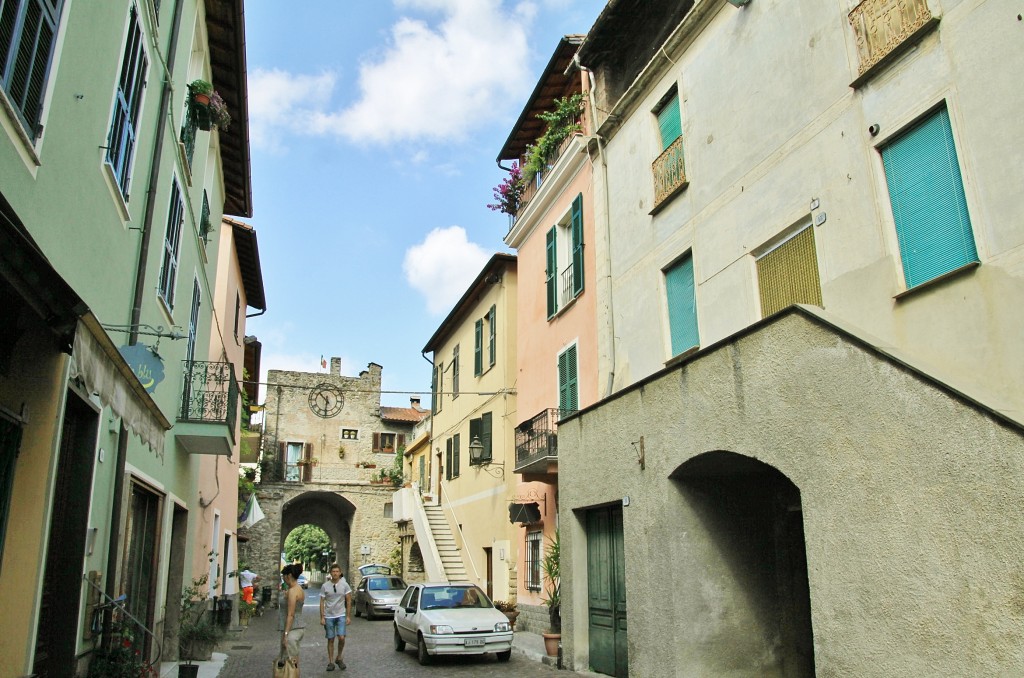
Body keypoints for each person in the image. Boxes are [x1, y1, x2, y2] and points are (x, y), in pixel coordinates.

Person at [319, 563, 352, 671]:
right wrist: (322, 617)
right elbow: (322, 601)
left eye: (337, 571)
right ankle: (331, 662)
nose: (335, 573)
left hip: (341, 615)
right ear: (330, 573)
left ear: (340, 572)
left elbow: (348, 600)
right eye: (333, 571)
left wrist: (348, 615)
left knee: (341, 637)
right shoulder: (325, 586)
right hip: (329, 616)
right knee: (330, 639)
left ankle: (339, 657)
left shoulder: (345, 585)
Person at [279, 563, 306, 674]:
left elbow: (291, 614)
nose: (283, 579)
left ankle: (293, 676)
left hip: (293, 627)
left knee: (291, 659)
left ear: (288, 576)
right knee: (292, 658)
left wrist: (286, 634)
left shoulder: (293, 591)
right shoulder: (297, 588)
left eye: (283, 576)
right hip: (297, 626)